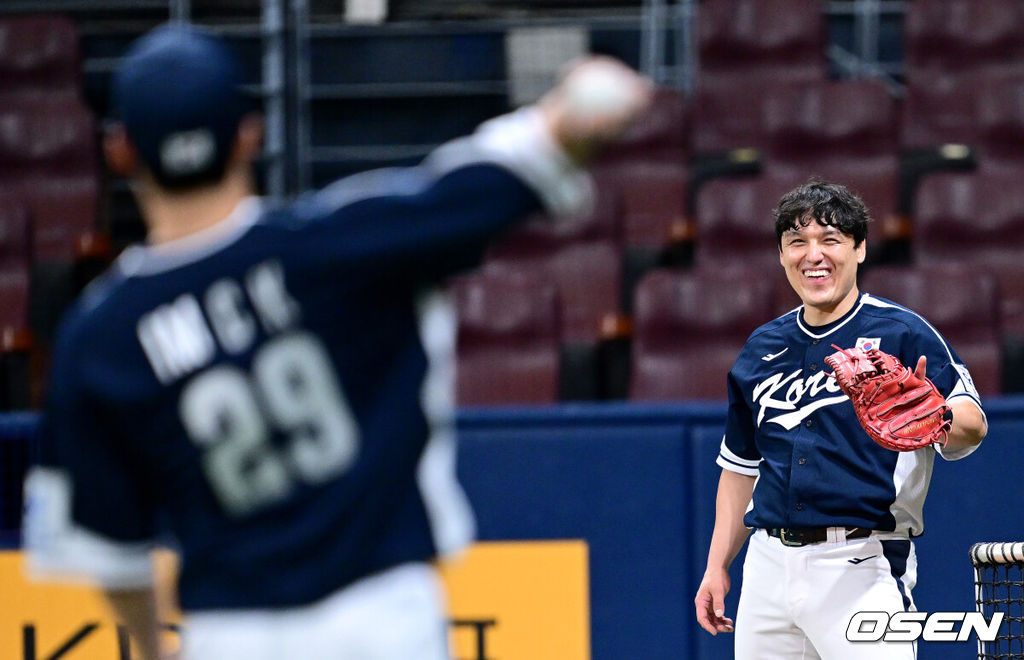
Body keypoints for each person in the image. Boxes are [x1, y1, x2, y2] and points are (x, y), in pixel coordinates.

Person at [20, 23, 651, 660]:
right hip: (382, 621)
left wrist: (158, 649)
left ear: (120, 150)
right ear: (250, 131)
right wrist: (567, 115)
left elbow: (110, 555)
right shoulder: (337, 246)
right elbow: (496, 174)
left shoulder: (98, 340)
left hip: (231, 635)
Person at [693, 180, 988, 659]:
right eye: (797, 242)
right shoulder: (761, 348)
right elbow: (741, 467)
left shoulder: (901, 332)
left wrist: (939, 417)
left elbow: (973, 423)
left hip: (862, 563)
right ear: (782, 255)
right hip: (768, 565)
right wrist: (717, 565)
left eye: (830, 240)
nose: (814, 255)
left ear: (860, 248)